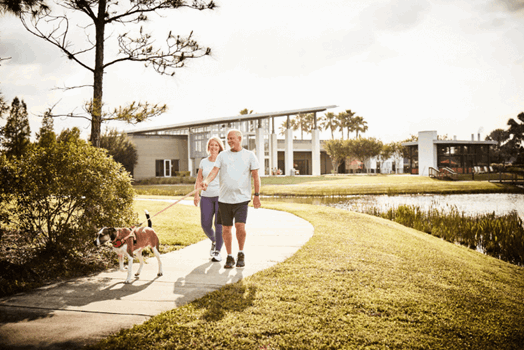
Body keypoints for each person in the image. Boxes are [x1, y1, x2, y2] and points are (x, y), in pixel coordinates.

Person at [201, 129, 261, 268]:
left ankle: (240, 252)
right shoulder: (223, 156)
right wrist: (207, 181)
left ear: (239, 139)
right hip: (224, 200)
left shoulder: (249, 155)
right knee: (226, 229)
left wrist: (257, 195)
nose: (229, 141)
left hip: (242, 199)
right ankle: (229, 256)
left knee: (240, 227)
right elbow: (214, 171)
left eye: (232, 138)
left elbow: (256, 176)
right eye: (227, 139)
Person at [194, 136, 225, 262]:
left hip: (221, 197)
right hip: (206, 197)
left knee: (219, 225)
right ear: (208, 147)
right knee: (205, 225)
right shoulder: (203, 162)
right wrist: (196, 194)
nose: (213, 147)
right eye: (211, 145)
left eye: (216, 145)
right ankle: (214, 240)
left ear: (220, 148)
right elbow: (199, 179)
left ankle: (217, 251)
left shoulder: (223, 161)